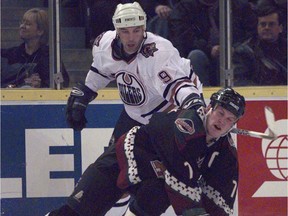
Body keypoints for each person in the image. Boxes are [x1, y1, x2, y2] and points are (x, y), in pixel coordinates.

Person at [46, 1, 205, 215]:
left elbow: (178, 87)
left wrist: (193, 104)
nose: (131, 38)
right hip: (134, 115)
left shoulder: (159, 52)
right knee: (114, 174)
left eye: (137, 31)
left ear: (144, 28)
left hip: (168, 118)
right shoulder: (105, 43)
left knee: (151, 186)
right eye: (125, 31)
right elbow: (102, 71)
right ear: (116, 30)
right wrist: (86, 91)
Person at [47, 87, 245, 215]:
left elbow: (221, 196)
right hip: (123, 160)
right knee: (76, 211)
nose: (222, 121)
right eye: (220, 113)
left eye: (229, 119)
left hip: (154, 181)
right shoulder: (188, 122)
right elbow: (181, 172)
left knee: (157, 194)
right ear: (210, 107)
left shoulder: (226, 154)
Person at [168, 0, 257, 86]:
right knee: (196, 56)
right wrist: (209, 50)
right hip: (203, 55)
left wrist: (232, 48)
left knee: (242, 53)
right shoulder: (184, 8)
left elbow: (251, 34)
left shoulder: (239, 6)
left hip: (234, 54)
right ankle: (199, 96)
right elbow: (182, 40)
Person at [1, 8, 69, 88]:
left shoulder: (50, 57)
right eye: (22, 23)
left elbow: (61, 82)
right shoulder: (11, 54)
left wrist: (41, 85)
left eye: (28, 24)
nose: (22, 26)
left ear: (40, 31)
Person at [232, 7, 287, 85]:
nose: (267, 28)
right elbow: (240, 82)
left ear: (280, 28)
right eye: (263, 24)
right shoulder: (243, 52)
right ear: (257, 27)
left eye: (271, 24)